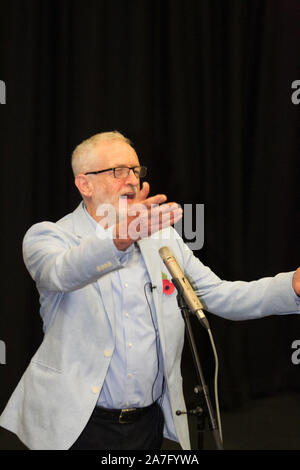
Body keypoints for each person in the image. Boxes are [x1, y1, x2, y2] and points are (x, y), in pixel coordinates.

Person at [0, 131, 299, 450]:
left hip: (148, 425)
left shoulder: (163, 238)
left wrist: (291, 286)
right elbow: (59, 273)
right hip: (77, 427)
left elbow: (219, 294)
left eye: (136, 170)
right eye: (118, 171)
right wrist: (118, 239)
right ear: (84, 184)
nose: (131, 179)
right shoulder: (50, 236)